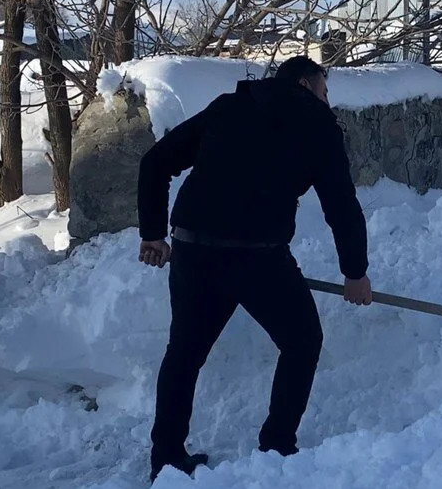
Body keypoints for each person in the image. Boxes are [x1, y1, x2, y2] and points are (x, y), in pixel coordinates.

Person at [136, 56, 373, 483]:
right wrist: (354, 272)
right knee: (302, 341)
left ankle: (167, 461)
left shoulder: (228, 106)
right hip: (258, 258)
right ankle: (278, 447)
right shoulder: (317, 124)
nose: (326, 98)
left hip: (194, 248)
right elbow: (340, 203)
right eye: (324, 88)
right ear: (304, 83)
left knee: (184, 356)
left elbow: (155, 161)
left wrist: (153, 233)